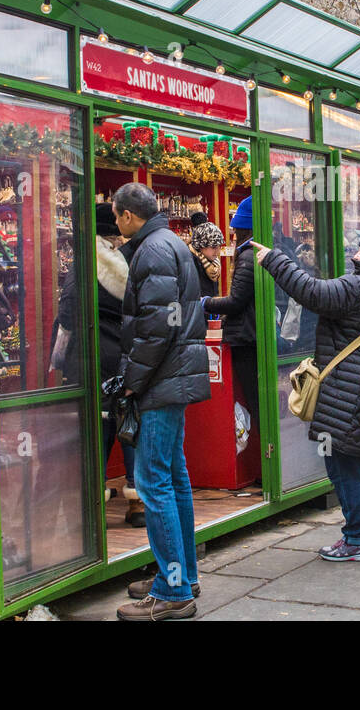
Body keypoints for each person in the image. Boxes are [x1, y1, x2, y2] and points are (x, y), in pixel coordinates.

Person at [255, 225, 360, 562]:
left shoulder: (357, 287)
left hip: (352, 392)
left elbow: (310, 292)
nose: (356, 252)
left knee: (346, 460)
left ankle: (356, 539)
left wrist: (273, 259)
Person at [112, 183, 210, 621]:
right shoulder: (170, 242)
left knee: (153, 483)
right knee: (173, 477)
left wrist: (132, 382)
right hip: (174, 378)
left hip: (160, 381)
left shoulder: (151, 251)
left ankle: (172, 590)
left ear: (129, 215)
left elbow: (156, 329)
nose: (116, 224)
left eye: (117, 216)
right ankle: (182, 575)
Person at [91, 205, 143, 527]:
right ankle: (137, 505)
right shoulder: (126, 266)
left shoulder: (87, 265)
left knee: (99, 430)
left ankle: (94, 503)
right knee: (129, 427)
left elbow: (69, 313)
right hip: (125, 356)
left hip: (97, 358)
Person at [206, 196, 260, 439]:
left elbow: (236, 301)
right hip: (253, 334)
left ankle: (263, 465)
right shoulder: (256, 252)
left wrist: (204, 303)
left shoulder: (247, 256)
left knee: (254, 400)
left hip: (245, 338)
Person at [189, 221, 224, 299]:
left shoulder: (213, 263)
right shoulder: (191, 262)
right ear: (200, 245)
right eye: (213, 247)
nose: (217, 251)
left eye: (219, 246)